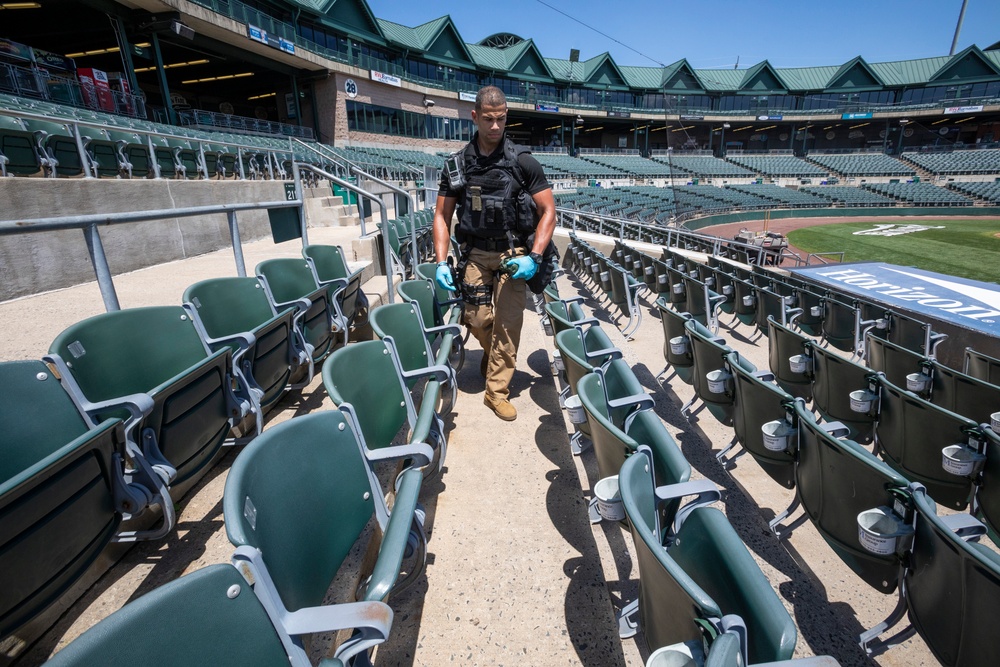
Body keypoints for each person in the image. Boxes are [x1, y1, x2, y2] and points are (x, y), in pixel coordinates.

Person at [432, 86, 556, 421]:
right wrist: (441, 261)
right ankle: (495, 354)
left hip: (512, 255)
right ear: (475, 117)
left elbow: (548, 211)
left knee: (509, 323)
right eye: (488, 119)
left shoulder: (523, 162)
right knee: (478, 319)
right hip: (474, 253)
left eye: (501, 119)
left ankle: (496, 392)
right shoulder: (457, 165)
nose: (495, 126)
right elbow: (442, 216)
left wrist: (535, 257)